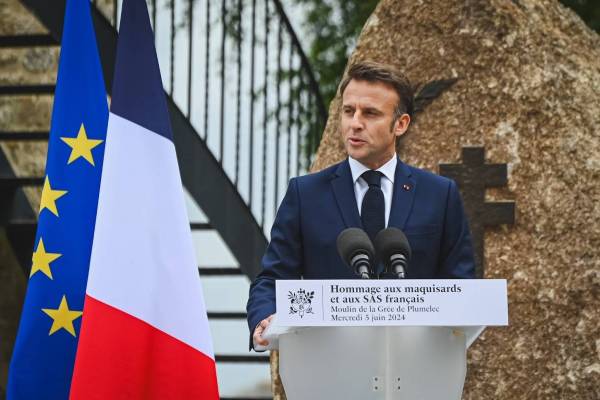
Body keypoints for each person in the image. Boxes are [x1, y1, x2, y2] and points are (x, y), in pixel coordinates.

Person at [246, 61, 475, 349]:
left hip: (417, 365)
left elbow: (460, 282)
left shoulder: (440, 195)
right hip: (328, 365)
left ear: (400, 124)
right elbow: (273, 277)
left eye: (370, 113)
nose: (355, 123)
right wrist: (264, 316)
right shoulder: (305, 194)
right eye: (348, 111)